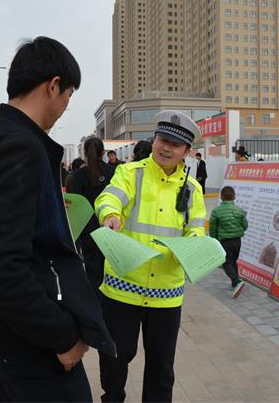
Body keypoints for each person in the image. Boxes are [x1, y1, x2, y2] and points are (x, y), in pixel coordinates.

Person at [0, 36, 115, 402]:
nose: (63, 108)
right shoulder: (19, 147)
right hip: (33, 347)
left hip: (9, 337)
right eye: (67, 97)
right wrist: (61, 337)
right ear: (53, 85)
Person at [95, 110, 206, 402]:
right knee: (115, 360)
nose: (166, 147)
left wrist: (194, 246)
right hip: (122, 289)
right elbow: (109, 197)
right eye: (162, 139)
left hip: (166, 294)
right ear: (154, 139)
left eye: (175, 144)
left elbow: (196, 229)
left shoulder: (192, 189)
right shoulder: (130, 173)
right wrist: (108, 215)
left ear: (187, 152)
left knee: (161, 370)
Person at [66, 136, 114, 292]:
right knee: (112, 272)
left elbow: (74, 205)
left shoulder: (77, 176)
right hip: (112, 229)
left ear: (85, 152)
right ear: (103, 152)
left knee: (93, 273)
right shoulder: (113, 172)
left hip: (88, 231)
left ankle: (95, 307)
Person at [209, 186, 248, 298]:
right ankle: (235, 283)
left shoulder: (216, 211)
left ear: (221, 197)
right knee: (233, 261)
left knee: (226, 263)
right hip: (237, 241)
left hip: (225, 241)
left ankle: (237, 282)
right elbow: (245, 226)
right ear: (234, 197)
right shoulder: (239, 210)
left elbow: (213, 227)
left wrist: (214, 240)